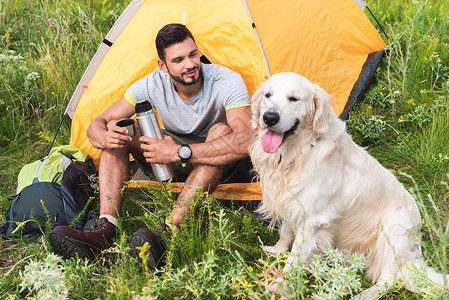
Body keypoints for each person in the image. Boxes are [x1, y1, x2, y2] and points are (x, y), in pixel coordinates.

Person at [49, 23, 252, 267]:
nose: (190, 64)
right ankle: (104, 230)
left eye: (193, 54)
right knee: (121, 128)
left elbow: (246, 140)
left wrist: (178, 152)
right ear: (163, 66)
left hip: (214, 164)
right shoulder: (151, 84)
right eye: (178, 60)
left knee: (221, 130)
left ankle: (169, 232)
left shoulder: (226, 81)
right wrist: (105, 137)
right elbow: (97, 124)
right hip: (166, 159)